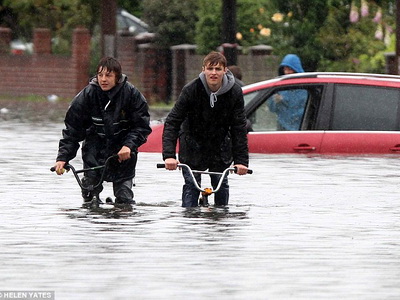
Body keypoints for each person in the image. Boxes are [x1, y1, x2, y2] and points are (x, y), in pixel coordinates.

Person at [53, 57, 152, 205]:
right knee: (89, 200)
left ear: (117, 77)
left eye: (108, 75)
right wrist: (63, 158)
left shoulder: (131, 94)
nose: (103, 79)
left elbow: (141, 126)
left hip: (123, 154)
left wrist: (129, 146)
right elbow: (72, 130)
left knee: (124, 200)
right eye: (100, 75)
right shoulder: (87, 95)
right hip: (94, 151)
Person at [162, 51, 249, 207]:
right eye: (210, 69)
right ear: (203, 70)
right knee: (191, 189)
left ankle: (221, 222)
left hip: (220, 146)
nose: (213, 73)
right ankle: (190, 224)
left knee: (221, 188)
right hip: (192, 144)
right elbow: (173, 122)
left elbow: (239, 127)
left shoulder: (235, 92)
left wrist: (241, 161)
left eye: (218, 69)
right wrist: (169, 155)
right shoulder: (191, 90)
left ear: (225, 71)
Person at [267, 54, 308, 131]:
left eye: (290, 69)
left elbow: (304, 110)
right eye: (285, 69)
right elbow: (272, 108)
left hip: (300, 128)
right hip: (282, 127)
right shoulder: (280, 87)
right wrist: (276, 101)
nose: (287, 72)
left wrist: (284, 101)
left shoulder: (305, 87)